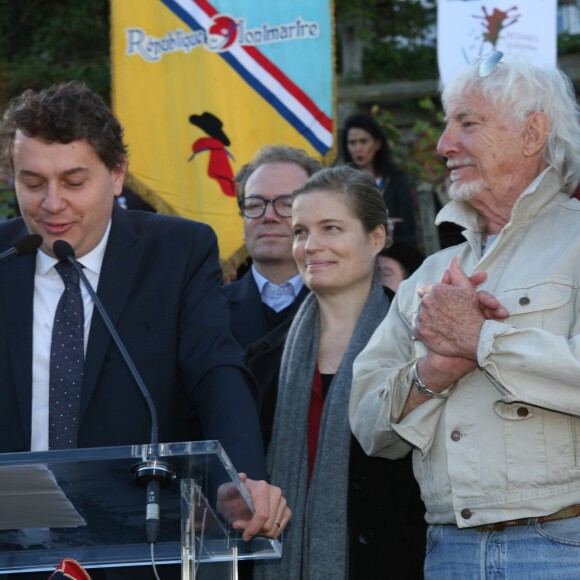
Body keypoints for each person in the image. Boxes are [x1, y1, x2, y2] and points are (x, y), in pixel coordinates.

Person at [0, 81, 290, 578]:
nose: (51, 204)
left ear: (116, 175)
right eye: (32, 182)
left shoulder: (177, 252)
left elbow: (216, 370)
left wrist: (243, 478)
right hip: (14, 552)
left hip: (142, 549)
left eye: (73, 182)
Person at [349, 51, 580, 579]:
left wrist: (483, 341)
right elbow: (367, 426)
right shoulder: (432, 270)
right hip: (447, 552)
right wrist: (434, 372)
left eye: (466, 123)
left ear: (532, 133)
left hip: (563, 546)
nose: (442, 145)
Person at [252, 166, 426, 580]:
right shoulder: (262, 358)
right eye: (300, 231)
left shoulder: (421, 346)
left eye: (331, 228)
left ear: (377, 238)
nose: (311, 246)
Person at [223, 145, 321, 348]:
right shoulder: (209, 309)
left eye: (287, 204)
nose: (268, 216)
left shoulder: (345, 309)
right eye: (255, 205)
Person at [341, 112, 417, 246]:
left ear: (377, 144)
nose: (358, 148)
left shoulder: (396, 180)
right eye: (352, 142)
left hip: (395, 251)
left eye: (363, 141)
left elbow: (408, 229)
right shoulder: (342, 183)